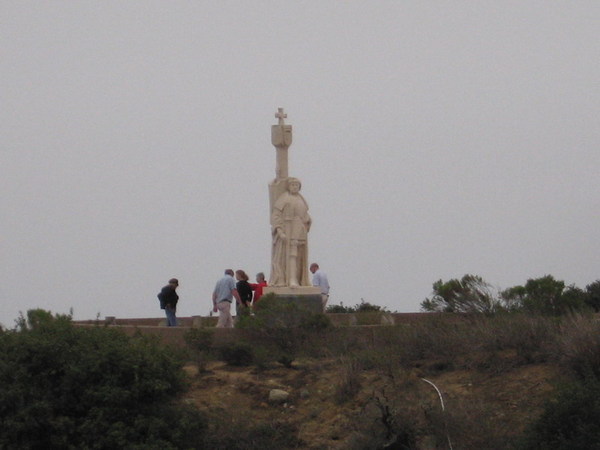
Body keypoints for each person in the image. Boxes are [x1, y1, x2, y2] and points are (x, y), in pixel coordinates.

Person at [270, 177, 312, 287]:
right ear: (289, 187)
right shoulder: (284, 198)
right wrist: (279, 231)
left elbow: (305, 214)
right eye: (292, 185)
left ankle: (298, 279)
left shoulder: (301, 199)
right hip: (289, 229)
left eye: (297, 185)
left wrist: (308, 220)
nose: (294, 187)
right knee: (291, 254)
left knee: (299, 255)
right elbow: (275, 215)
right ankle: (291, 279)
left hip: (300, 229)